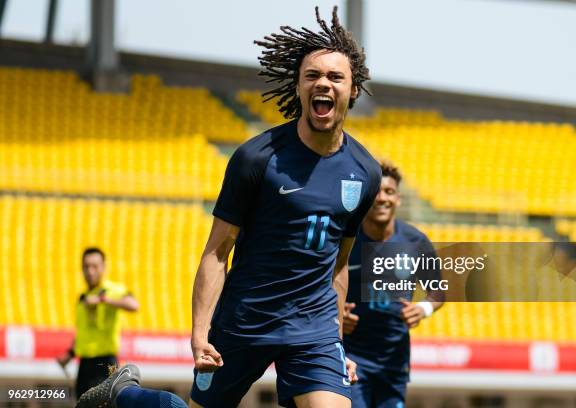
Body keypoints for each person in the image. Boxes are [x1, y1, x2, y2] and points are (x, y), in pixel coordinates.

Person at [77, 7, 381, 408]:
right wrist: (200, 333)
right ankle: (125, 394)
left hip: (314, 331)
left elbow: (339, 264)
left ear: (353, 88)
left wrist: (337, 341)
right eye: (312, 75)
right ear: (298, 86)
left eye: (335, 76)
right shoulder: (257, 158)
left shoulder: (365, 172)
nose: (323, 83)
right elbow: (217, 252)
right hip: (245, 320)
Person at [342, 161, 444, 408]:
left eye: (388, 192)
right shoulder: (346, 238)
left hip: (394, 360)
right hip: (351, 355)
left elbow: (438, 291)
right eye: (375, 192)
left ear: (397, 198)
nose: (381, 198)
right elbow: (320, 283)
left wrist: (423, 309)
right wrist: (335, 314)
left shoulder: (414, 241)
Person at [56, 247, 139, 399]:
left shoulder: (111, 290)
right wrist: (69, 354)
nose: (90, 271)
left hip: (105, 363)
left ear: (104, 267)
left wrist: (103, 300)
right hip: (84, 364)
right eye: (86, 266)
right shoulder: (82, 298)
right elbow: (84, 333)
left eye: (95, 266)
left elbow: (134, 305)